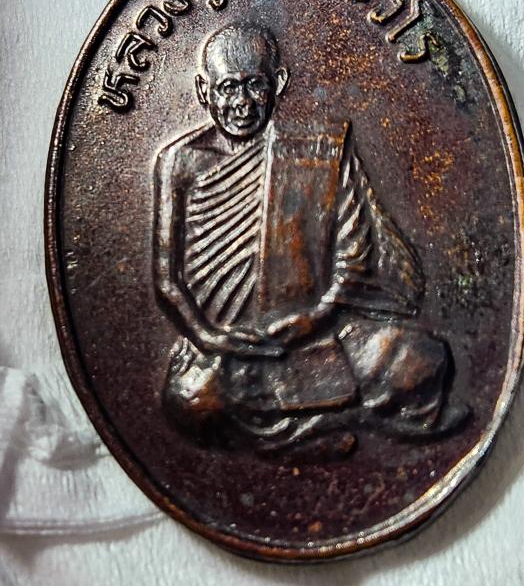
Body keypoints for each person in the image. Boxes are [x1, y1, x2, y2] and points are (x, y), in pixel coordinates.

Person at [153, 22, 468, 454]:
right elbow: (167, 281)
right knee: (190, 401)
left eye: (255, 86)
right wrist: (209, 337)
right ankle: (337, 422)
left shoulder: (316, 151)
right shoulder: (179, 161)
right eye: (228, 88)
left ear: (278, 83)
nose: (242, 102)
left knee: (422, 358)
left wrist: (315, 318)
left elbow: (354, 260)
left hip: (319, 337)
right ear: (203, 90)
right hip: (224, 353)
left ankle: (299, 425)